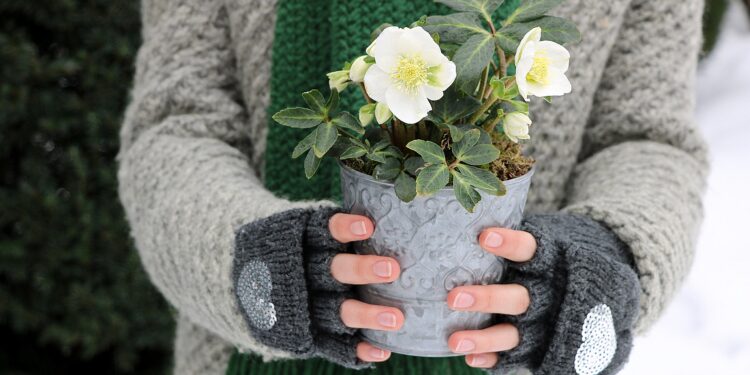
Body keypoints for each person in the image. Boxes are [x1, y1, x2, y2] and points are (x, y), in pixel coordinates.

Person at [117, 0, 708, 374]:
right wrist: (257, 265)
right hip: (246, 361)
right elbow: (178, 125)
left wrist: (606, 255)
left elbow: (643, 136)